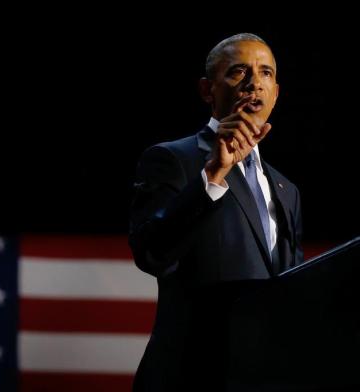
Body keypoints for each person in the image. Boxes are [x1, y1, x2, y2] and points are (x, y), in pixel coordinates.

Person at [129, 33, 304, 391]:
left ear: (276, 92)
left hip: (262, 377)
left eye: (266, 73)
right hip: (192, 375)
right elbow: (152, 254)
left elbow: (290, 288)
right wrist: (211, 175)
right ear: (208, 90)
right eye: (239, 72)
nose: (255, 83)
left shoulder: (288, 190)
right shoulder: (172, 159)